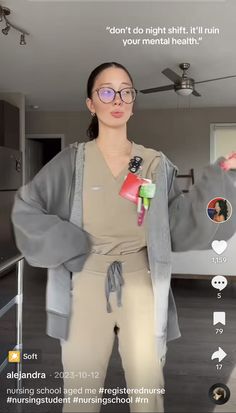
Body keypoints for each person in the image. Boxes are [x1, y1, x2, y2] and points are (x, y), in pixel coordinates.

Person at [11, 62, 236, 413]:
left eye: (125, 91)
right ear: (91, 103)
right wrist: (70, 243)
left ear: (133, 101)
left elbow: (179, 221)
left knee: (148, 390)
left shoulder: (155, 163)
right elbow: (27, 207)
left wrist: (220, 180)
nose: (117, 99)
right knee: (80, 393)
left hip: (141, 283)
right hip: (85, 283)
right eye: (106, 91)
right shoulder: (72, 161)